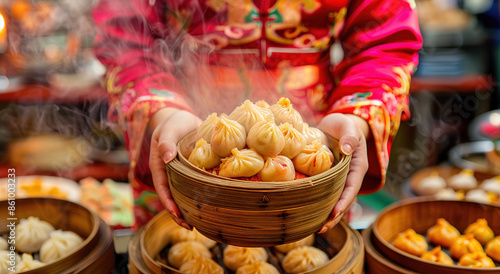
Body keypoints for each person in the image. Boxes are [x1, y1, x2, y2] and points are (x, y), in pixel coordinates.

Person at [92, 0, 422, 232]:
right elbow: (124, 34)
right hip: (184, 139)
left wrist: (358, 117)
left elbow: (385, 40)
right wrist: (161, 110)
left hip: (313, 144)